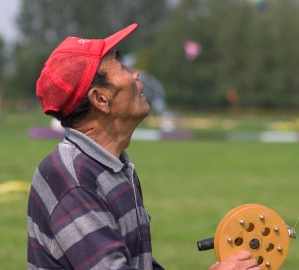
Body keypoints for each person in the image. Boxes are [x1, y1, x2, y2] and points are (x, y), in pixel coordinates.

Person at [27, 23, 260, 270]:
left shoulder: (112, 166)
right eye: (122, 65)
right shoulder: (73, 183)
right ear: (101, 99)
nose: (135, 74)